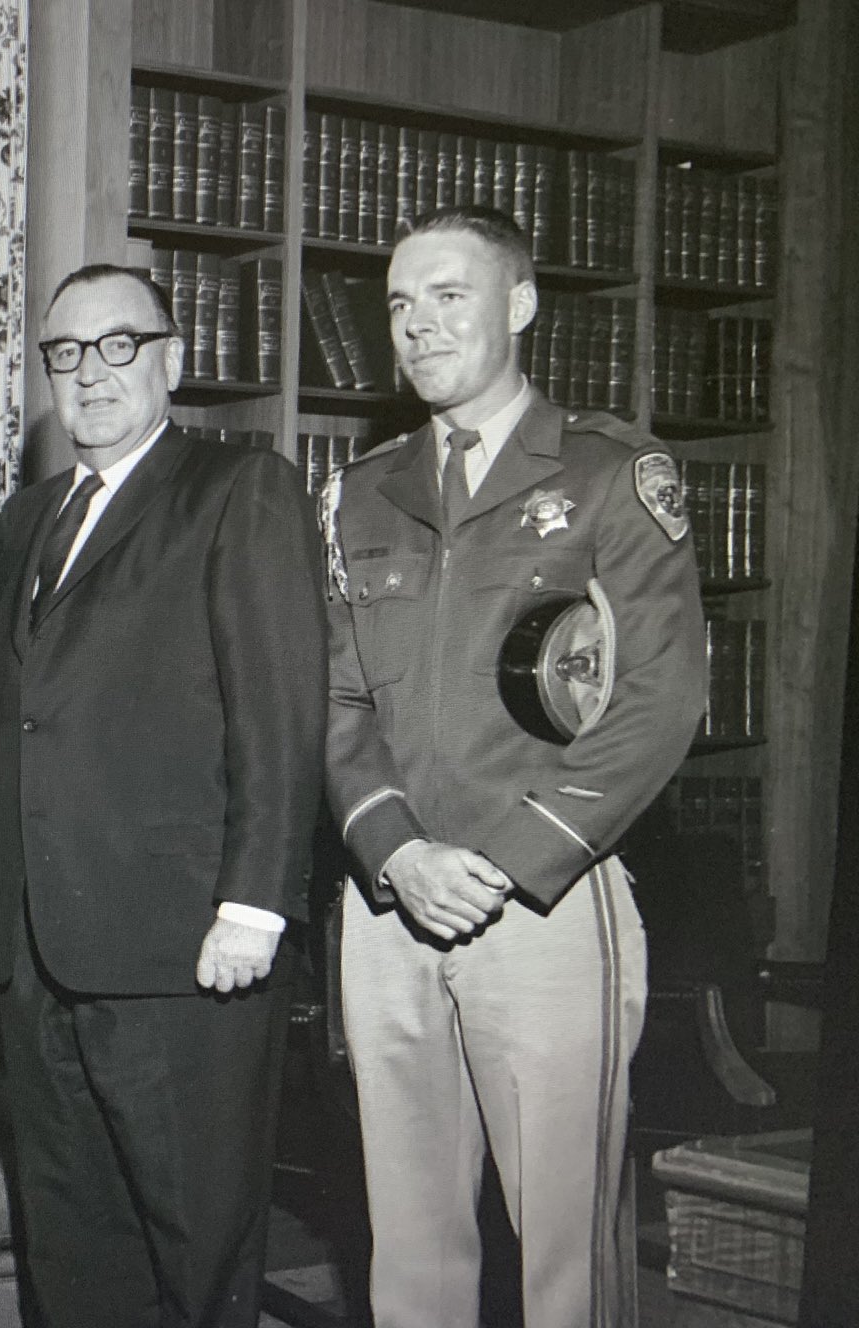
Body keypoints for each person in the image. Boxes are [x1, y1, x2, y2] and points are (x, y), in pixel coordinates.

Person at [325, 206, 706, 1328]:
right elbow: (336, 699)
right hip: (388, 908)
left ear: (519, 304)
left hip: (539, 904)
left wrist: (498, 862)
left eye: (447, 295)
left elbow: (656, 702)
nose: (417, 326)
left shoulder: (605, 470)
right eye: (399, 304)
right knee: (410, 1255)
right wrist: (395, 854)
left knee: (562, 1258)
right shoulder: (364, 488)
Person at [0, 263, 327, 1328]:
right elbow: (8, 724)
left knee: (195, 1241)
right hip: (39, 954)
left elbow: (278, 708)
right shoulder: (28, 514)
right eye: (64, 354)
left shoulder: (236, 488)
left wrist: (254, 903)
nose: (88, 374)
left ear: (169, 359)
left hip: (185, 946)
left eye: (116, 345)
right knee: (71, 1243)